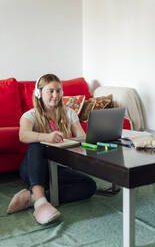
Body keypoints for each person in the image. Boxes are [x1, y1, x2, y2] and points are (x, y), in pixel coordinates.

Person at [7, 74, 96, 224]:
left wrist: (85, 143)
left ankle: (33, 198)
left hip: (59, 168)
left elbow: (82, 137)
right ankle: (41, 205)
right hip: (33, 167)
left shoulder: (69, 113)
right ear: (39, 93)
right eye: (51, 91)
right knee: (36, 144)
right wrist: (46, 137)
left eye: (59, 91)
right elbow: (23, 135)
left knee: (89, 186)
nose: (56, 95)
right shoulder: (30, 115)